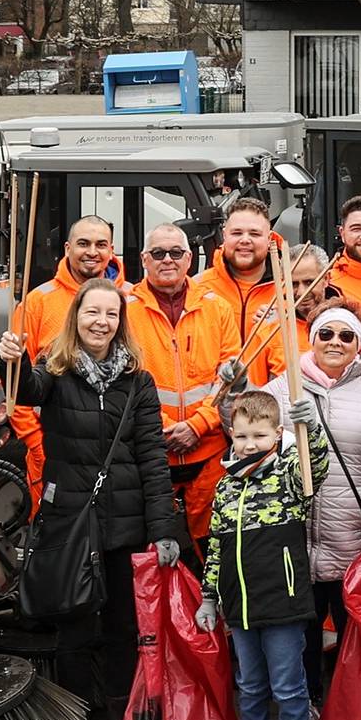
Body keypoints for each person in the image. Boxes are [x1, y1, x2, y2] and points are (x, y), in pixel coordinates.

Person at [0, 281, 177, 720]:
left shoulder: (137, 381)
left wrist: (164, 527)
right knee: (74, 628)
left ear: (122, 321)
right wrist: (10, 357)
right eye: (92, 312)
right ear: (76, 316)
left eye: (111, 314)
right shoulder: (54, 371)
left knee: (122, 630)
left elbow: (151, 457)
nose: (101, 321)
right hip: (72, 524)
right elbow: (25, 391)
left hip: (124, 523)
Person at [196, 390, 332, 720]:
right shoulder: (225, 487)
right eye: (241, 436)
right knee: (250, 685)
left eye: (258, 435)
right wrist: (208, 597)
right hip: (239, 605)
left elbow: (317, 467)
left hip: (283, 600)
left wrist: (313, 431)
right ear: (230, 436)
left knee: (288, 687)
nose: (249, 444)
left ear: (277, 435)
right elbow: (217, 547)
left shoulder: (290, 474)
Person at [261, 304, 361, 698]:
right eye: (326, 334)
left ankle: (352, 703)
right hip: (296, 530)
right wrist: (231, 389)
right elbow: (243, 427)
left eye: (346, 336)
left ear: (359, 344)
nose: (335, 342)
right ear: (312, 339)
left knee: (353, 623)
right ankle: (308, 703)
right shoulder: (285, 384)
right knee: (301, 630)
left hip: (351, 529)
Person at [122, 224, 242, 545]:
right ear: (145, 260)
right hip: (149, 457)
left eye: (176, 253)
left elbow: (229, 377)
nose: (167, 260)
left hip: (209, 453)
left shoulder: (217, 307)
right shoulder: (125, 310)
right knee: (152, 556)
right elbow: (123, 380)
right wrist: (161, 429)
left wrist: (199, 425)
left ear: (189, 258)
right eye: (158, 253)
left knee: (213, 548)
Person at [9, 216, 124, 494]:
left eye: (101, 244)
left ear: (112, 250)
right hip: (52, 450)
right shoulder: (38, 302)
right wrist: (36, 442)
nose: (92, 252)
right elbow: (14, 383)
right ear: (67, 248)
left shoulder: (130, 299)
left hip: (116, 453)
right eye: (83, 243)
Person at [245, 244, 331, 386]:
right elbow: (252, 394)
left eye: (309, 282)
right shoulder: (267, 327)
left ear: (326, 279)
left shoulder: (348, 322)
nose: (301, 292)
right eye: (294, 284)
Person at [204, 197, 281, 344]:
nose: (245, 240)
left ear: (269, 238)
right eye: (237, 233)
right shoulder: (198, 289)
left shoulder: (290, 290)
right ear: (224, 235)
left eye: (254, 234)